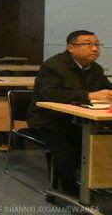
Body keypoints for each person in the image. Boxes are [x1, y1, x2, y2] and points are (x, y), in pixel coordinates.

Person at [27, 30, 112, 196]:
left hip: (80, 119)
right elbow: (48, 94)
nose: (95, 48)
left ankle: (98, 181)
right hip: (48, 119)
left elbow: (106, 90)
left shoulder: (95, 69)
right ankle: (67, 188)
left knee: (101, 144)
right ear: (71, 47)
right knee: (67, 148)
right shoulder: (53, 65)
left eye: (97, 44)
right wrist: (88, 96)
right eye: (88, 44)